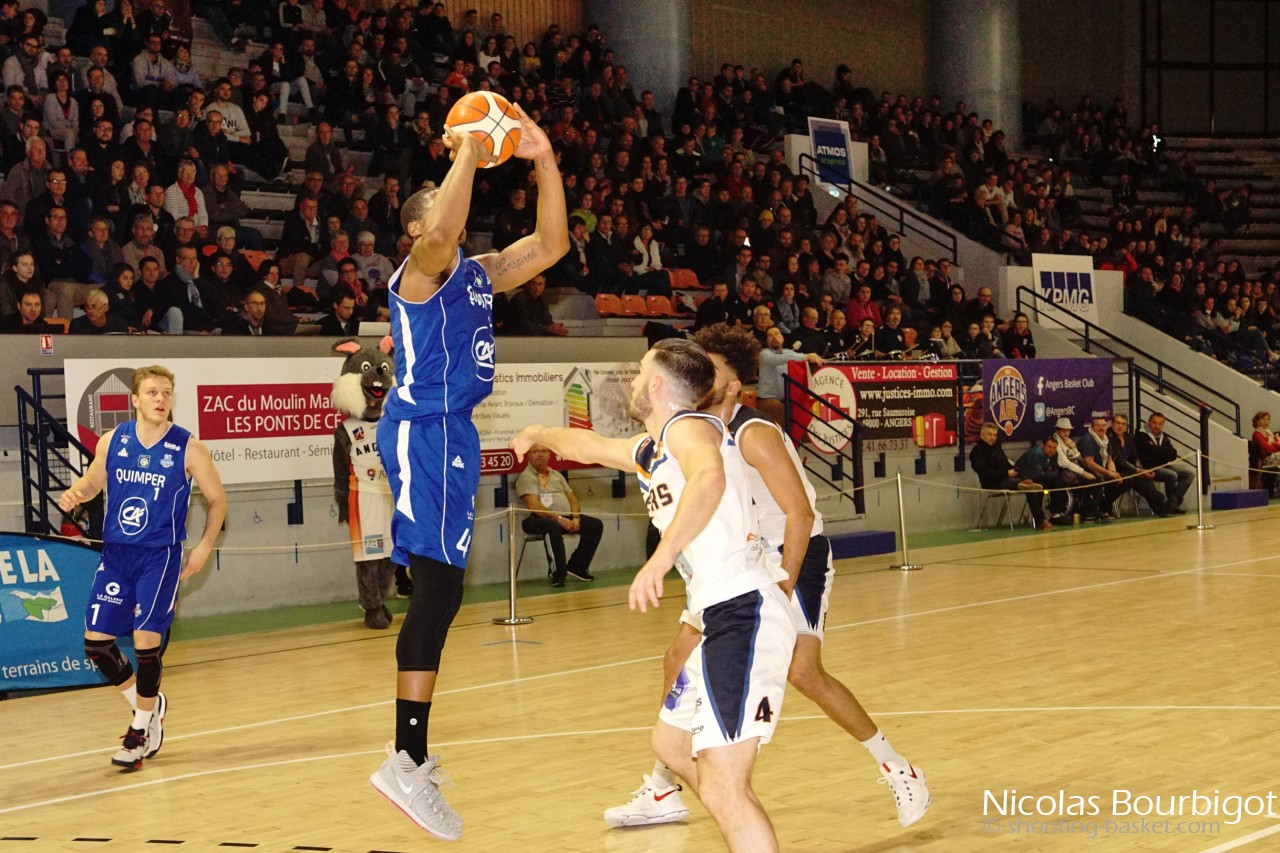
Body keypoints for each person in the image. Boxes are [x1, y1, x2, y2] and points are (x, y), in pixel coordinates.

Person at [602, 325, 930, 831]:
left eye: (715, 372)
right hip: (738, 564)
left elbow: (799, 513)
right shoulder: (690, 429)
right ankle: (665, 785)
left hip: (791, 556)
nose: (705, 378)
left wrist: (782, 585)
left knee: (804, 671)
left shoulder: (752, 432)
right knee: (676, 659)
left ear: (735, 385)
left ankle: (896, 766)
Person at [369, 103, 567, 841]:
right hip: (422, 429)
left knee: (445, 590)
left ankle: (411, 757)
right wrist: (471, 148)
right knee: (437, 587)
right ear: (416, 229)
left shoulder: (478, 274)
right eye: (439, 208)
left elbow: (551, 243)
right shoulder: (417, 274)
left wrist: (542, 158)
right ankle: (405, 759)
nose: (453, 216)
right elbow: (441, 233)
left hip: (452, 431)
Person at [512, 338, 795, 852]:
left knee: (725, 786)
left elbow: (708, 478)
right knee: (670, 743)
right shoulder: (654, 447)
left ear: (659, 385)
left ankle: (735, 810)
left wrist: (662, 558)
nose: (633, 381)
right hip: (719, 617)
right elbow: (590, 446)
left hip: (744, 612)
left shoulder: (690, 428)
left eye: (641, 372)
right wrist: (538, 433)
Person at [57, 365, 226, 769]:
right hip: (117, 554)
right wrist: (76, 493)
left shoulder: (188, 448)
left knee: (146, 641)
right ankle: (149, 706)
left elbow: (218, 500)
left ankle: (139, 732)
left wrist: (204, 547)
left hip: (159, 556)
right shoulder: (113, 440)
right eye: (152, 392)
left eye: (166, 392)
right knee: (96, 645)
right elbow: (93, 482)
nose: (160, 399)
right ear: (135, 399)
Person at [514, 443, 601, 587]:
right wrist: (560, 520)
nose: (540, 454)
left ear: (549, 455)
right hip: (535, 519)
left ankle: (577, 566)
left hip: (563, 518)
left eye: (543, 451)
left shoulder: (556, 475)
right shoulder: (526, 477)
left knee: (595, 525)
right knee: (552, 526)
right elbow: (533, 505)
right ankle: (558, 574)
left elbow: (572, 499)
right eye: (535, 452)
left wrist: (575, 518)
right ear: (529, 455)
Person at [970, 421, 1051, 530]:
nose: (992, 438)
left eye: (994, 435)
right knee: (1029, 487)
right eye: (989, 435)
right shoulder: (977, 452)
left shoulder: (997, 447)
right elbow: (984, 472)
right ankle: (1041, 520)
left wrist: (1015, 470)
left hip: (1009, 476)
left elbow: (1006, 464)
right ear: (982, 435)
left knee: (1037, 470)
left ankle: (1025, 480)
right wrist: (1006, 473)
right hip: (995, 482)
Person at [1110, 413, 1180, 515]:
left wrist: (1141, 468)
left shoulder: (1128, 437)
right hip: (1117, 470)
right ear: (1112, 424)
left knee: (1146, 477)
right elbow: (1119, 460)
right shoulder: (1110, 438)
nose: (1120, 426)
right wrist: (1139, 470)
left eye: (1123, 424)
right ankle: (1164, 501)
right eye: (1118, 423)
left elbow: (1135, 456)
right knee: (1138, 479)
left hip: (1132, 469)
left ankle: (1160, 507)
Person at [1134, 412, 1194, 512]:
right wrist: (1163, 452)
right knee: (1172, 475)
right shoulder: (1140, 435)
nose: (1157, 426)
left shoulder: (1164, 436)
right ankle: (1172, 503)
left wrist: (1157, 451)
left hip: (1164, 466)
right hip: (1149, 468)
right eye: (1154, 422)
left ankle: (1172, 502)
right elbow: (1148, 452)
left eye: (1160, 424)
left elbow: (1173, 454)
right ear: (1148, 422)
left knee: (1189, 475)